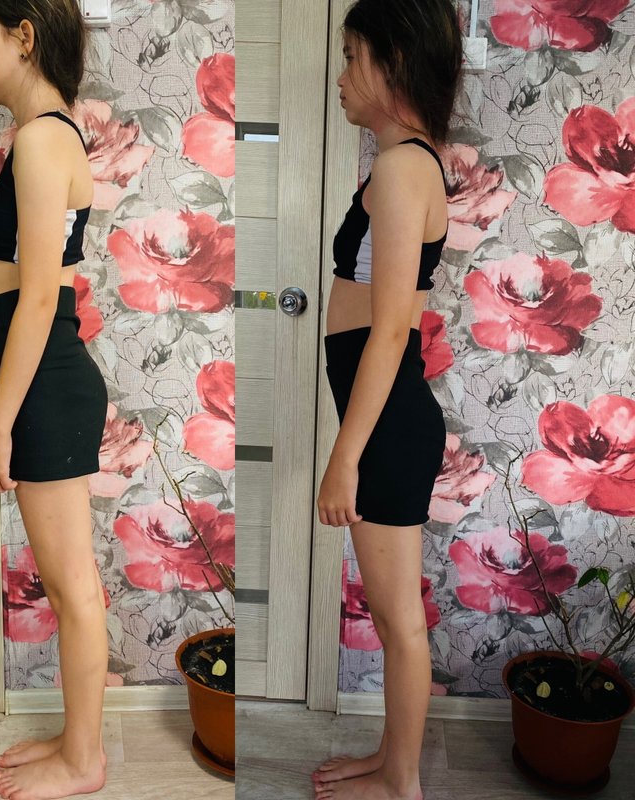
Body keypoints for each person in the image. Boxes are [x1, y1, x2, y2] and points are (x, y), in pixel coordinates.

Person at [312, 2, 463, 799]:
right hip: (385, 420)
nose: (340, 77)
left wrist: (345, 459)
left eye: (351, 56)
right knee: (391, 612)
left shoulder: (405, 169)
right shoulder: (404, 163)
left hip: (388, 427)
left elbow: (390, 332)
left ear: (394, 60)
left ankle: (402, 780)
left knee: (399, 619)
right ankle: (389, 758)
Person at [0, 2, 110, 798]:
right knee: (66, 584)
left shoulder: (41, 139)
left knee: (71, 587)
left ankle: (84, 762)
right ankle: (74, 738)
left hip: (47, 387)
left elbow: (39, 298)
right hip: (45, 384)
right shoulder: (43, 137)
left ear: (24, 37)